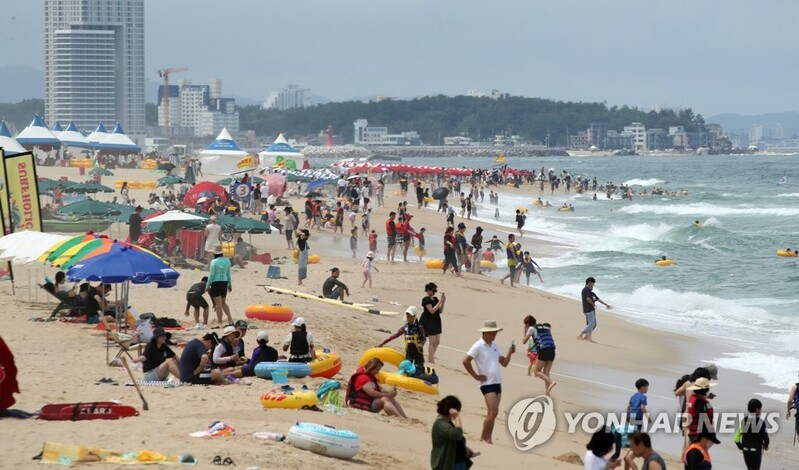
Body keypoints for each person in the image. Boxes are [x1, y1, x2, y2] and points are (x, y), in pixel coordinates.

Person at [462, 320, 515, 444]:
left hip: (497, 382)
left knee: (492, 413)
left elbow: (504, 363)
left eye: (495, 332)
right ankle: (482, 438)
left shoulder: (495, 346)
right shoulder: (478, 345)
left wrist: (510, 353)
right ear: (485, 333)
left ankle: (488, 438)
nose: (495, 335)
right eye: (492, 332)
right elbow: (465, 361)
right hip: (487, 384)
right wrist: (476, 376)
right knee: (494, 411)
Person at [431, 395, 477, 470]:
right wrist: (457, 417)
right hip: (449, 464)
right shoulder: (440, 424)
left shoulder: (447, 422)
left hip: (458, 462)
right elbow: (457, 434)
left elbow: (456, 439)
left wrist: (465, 449)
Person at [734, 398, 769, 470]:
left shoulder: (744, 421)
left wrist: (741, 447)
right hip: (756, 451)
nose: (760, 411)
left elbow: (736, 438)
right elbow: (766, 438)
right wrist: (766, 445)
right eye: (760, 409)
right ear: (757, 410)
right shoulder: (760, 422)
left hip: (746, 450)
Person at [526, 316, 557, 395]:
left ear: (527, 324)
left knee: (536, 371)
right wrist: (532, 347)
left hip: (544, 350)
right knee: (546, 373)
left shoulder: (531, 328)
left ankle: (551, 382)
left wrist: (525, 331)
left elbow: (524, 341)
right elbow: (542, 340)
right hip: (552, 350)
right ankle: (547, 393)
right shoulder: (545, 327)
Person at [578, 277, 612, 343]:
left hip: (590, 310)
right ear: (589, 282)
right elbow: (588, 299)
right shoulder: (586, 289)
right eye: (593, 283)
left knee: (592, 324)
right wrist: (593, 304)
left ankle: (587, 337)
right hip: (588, 309)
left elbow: (598, 299)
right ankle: (581, 335)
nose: (593, 285)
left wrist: (606, 304)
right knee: (591, 324)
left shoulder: (591, 293)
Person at [206, 247, 233, 325]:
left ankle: (220, 322)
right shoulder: (227, 260)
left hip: (216, 283)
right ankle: (230, 319)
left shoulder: (214, 262)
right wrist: (230, 284)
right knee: (223, 303)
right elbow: (228, 274)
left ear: (215, 253)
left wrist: (207, 285)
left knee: (218, 305)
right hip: (224, 282)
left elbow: (211, 275)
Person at [420, 282, 445, 364]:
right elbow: (431, 311)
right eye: (433, 291)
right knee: (432, 341)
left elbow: (440, 311)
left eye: (435, 291)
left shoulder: (436, 299)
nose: (434, 292)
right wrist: (440, 302)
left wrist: (443, 302)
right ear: (428, 290)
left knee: (437, 341)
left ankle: (430, 357)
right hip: (429, 321)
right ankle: (431, 360)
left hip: (436, 321)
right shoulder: (426, 299)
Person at [686, 377, 716, 442]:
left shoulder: (693, 399)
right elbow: (702, 418)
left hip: (693, 434)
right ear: (706, 390)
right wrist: (712, 435)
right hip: (699, 436)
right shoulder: (700, 403)